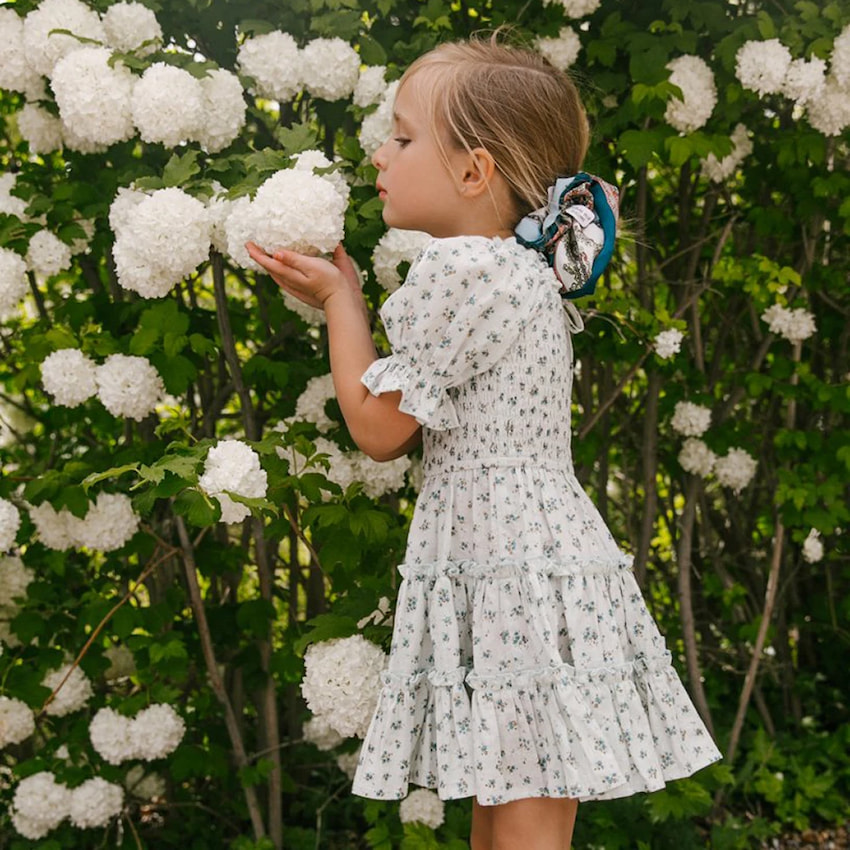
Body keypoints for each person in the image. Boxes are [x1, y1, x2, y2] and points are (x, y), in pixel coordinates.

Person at [247, 35, 721, 850]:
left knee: (512, 823)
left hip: (508, 575)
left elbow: (379, 429)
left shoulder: (462, 272)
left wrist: (340, 303)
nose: (380, 154)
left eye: (401, 137)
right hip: (535, 567)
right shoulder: (518, 271)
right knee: (514, 815)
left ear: (473, 172)